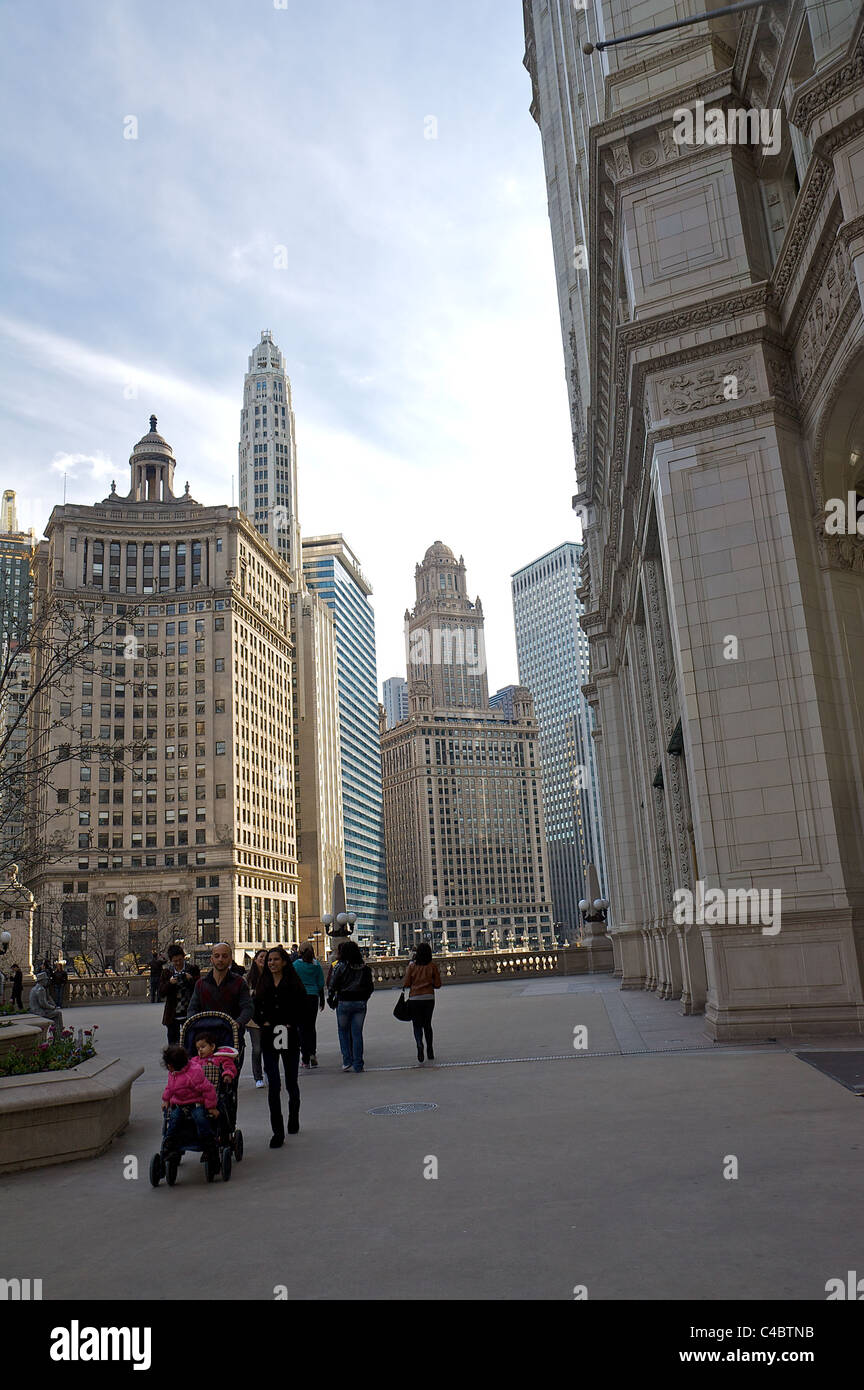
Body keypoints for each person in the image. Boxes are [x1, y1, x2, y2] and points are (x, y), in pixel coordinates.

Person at [254, 946, 307, 1146]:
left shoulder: (293, 982)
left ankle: (294, 1116)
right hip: (269, 1035)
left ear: (284, 961)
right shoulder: (263, 982)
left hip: (289, 1034)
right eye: (269, 960)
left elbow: (303, 1006)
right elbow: (256, 1005)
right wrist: (263, 1022)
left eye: (276, 959)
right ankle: (277, 1131)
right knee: (273, 1084)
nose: (272, 963)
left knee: (291, 1081)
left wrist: (291, 1022)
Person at [188, 944, 254, 1072]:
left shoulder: (239, 982)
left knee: (230, 1080)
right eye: (216, 956)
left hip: (231, 1037)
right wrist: (194, 1023)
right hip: (205, 1039)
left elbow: (248, 1008)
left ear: (230, 959)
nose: (220, 959)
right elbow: (192, 1009)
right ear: (211, 959)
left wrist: (238, 1023)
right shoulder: (201, 984)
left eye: (224, 956)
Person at [161, 1044, 220, 1160]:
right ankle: (170, 1143)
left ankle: (209, 1143)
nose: (168, 1067)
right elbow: (170, 1087)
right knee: (174, 1118)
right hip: (180, 1104)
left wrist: (211, 1107)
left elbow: (208, 1090)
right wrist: (166, 1099)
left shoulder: (193, 1074)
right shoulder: (173, 1073)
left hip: (196, 1103)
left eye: (169, 1065)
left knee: (200, 1118)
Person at [328, 940, 374, 1073]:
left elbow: (332, 984)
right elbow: (370, 987)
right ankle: (358, 1064)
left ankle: (347, 1061)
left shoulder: (339, 966)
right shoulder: (364, 968)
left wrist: (331, 998)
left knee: (343, 1032)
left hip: (344, 1002)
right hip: (360, 1002)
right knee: (357, 1033)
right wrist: (365, 998)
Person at [402, 941, 441, 1064]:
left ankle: (419, 1044)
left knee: (417, 1024)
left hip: (414, 998)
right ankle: (430, 1049)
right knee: (427, 1024)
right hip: (429, 998)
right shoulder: (432, 966)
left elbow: (406, 983)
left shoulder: (412, 966)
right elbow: (438, 984)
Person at [158, 945, 200, 1046]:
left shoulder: (192, 969)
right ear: (171, 960)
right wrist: (170, 983)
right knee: (173, 1043)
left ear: (184, 957)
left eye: (180, 960)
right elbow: (161, 993)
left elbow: (199, 989)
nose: (178, 963)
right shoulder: (167, 972)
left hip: (189, 1011)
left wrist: (190, 979)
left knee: (191, 1041)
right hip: (173, 1012)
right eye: (175, 961)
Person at [293, 945, 325, 1069]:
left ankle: (305, 1058)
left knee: (301, 1028)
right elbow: (320, 983)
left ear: (300, 952)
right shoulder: (316, 965)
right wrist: (322, 999)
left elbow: (292, 980)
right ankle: (312, 1053)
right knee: (311, 1027)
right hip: (313, 997)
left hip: (299, 997)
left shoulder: (296, 965)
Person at [245, 949, 268, 1088]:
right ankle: (258, 1077)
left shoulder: (272, 975)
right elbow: (244, 998)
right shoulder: (249, 978)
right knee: (257, 1048)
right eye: (261, 957)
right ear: (255, 959)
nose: (264, 959)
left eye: (266, 957)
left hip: (269, 1017)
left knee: (270, 1048)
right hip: (254, 1019)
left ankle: (268, 1072)